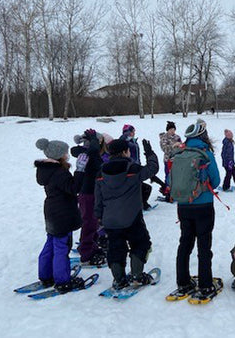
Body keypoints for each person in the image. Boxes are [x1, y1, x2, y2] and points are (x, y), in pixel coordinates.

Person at [94, 138, 159, 289]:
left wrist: (99, 216)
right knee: (140, 243)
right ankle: (136, 275)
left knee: (115, 248)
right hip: (132, 217)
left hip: (110, 219)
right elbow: (152, 169)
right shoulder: (132, 169)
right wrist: (149, 153)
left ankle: (119, 279)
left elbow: (98, 197)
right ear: (124, 152)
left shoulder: (100, 173)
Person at [170, 121, 221, 302]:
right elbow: (215, 181)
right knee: (204, 245)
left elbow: (171, 181)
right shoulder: (205, 154)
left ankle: (183, 282)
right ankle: (205, 283)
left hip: (183, 206)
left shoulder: (180, 154)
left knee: (185, 242)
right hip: (203, 206)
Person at [34, 138, 87, 292]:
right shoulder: (59, 172)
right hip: (61, 212)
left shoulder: (47, 170)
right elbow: (74, 187)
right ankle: (62, 280)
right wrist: (80, 170)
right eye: (65, 152)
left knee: (51, 242)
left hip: (52, 211)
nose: (67, 155)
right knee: (61, 246)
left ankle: (45, 276)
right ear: (59, 155)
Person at [71, 129, 106, 266]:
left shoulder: (90, 153)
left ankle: (91, 246)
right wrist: (93, 141)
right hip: (88, 193)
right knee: (89, 222)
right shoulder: (89, 154)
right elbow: (94, 157)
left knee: (94, 222)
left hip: (93, 192)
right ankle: (86, 252)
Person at [120, 124, 154, 210]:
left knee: (144, 188)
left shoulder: (133, 141)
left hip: (136, 167)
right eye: (133, 131)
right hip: (130, 169)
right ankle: (140, 205)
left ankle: (142, 203)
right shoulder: (125, 141)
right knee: (142, 188)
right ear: (129, 132)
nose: (134, 133)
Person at [159, 121, 183, 201]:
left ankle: (177, 192)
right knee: (168, 176)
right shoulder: (164, 138)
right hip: (168, 160)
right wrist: (173, 146)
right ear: (168, 130)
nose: (173, 131)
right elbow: (164, 149)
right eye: (171, 129)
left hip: (177, 160)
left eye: (174, 129)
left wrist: (180, 146)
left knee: (177, 176)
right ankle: (168, 193)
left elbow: (182, 146)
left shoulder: (177, 137)